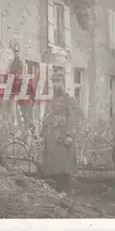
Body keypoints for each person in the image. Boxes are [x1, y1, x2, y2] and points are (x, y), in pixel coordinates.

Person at [40, 69, 79, 198]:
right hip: (51, 137)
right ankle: (58, 191)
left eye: (58, 81)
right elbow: (46, 118)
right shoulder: (51, 101)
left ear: (63, 83)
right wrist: (42, 134)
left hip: (63, 137)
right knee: (53, 164)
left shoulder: (69, 100)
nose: (56, 84)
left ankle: (67, 190)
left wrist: (69, 135)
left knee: (64, 164)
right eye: (54, 82)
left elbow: (72, 118)